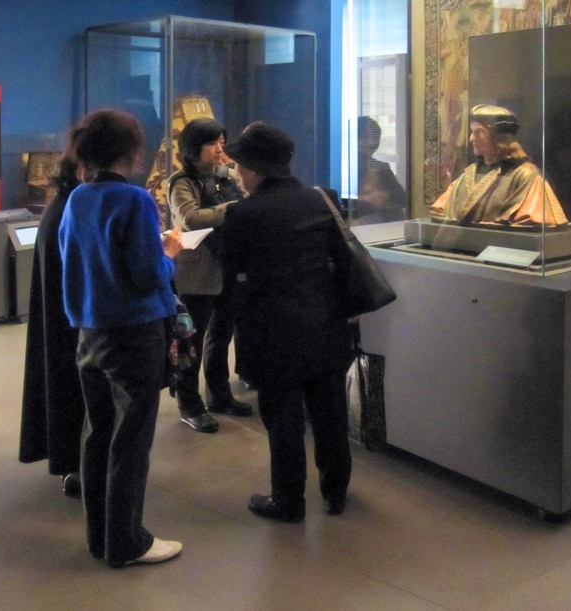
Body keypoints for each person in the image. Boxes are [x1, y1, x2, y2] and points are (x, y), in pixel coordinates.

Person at [58, 108, 184, 568]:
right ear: (131, 151)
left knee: (98, 433)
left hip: (90, 331)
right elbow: (149, 273)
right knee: (132, 438)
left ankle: (101, 537)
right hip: (134, 332)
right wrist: (170, 251)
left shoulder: (77, 199)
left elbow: (70, 264)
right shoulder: (133, 200)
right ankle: (127, 540)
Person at [221, 123, 353, 522]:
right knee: (330, 411)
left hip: (273, 330)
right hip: (326, 321)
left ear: (256, 168)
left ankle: (289, 500)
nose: (238, 174)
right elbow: (339, 258)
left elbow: (233, 271)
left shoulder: (244, 213)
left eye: (241, 166)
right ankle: (336, 491)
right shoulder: (322, 198)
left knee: (283, 419)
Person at [167, 117, 253, 434]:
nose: (220, 148)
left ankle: (219, 395)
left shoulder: (226, 176)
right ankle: (190, 405)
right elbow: (190, 218)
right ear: (193, 148)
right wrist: (234, 209)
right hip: (197, 272)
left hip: (227, 265)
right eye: (212, 142)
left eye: (221, 141)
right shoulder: (181, 182)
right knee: (191, 341)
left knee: (221, 336)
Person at [19, 148, 84, 498]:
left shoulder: (61, 207)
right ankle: (75, 464)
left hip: (64, 322)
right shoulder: (69, 211)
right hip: (71, 325)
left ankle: (72, 461)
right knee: (72, 391)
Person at [429, 104, 570, 228]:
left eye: (480, 132)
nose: (472, 138)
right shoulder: (467, 175)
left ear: (499, 137)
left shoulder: (526, 176)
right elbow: (440, 209)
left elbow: (534, 219)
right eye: (472, 132)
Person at [352, 116, 407, 225]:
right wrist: (364, 199)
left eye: (376, 138)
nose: (372, 143)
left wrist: (384, 195)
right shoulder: (343, 168)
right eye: (367, 138)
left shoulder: (381, 167)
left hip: (381, 226)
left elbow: (402, 198)